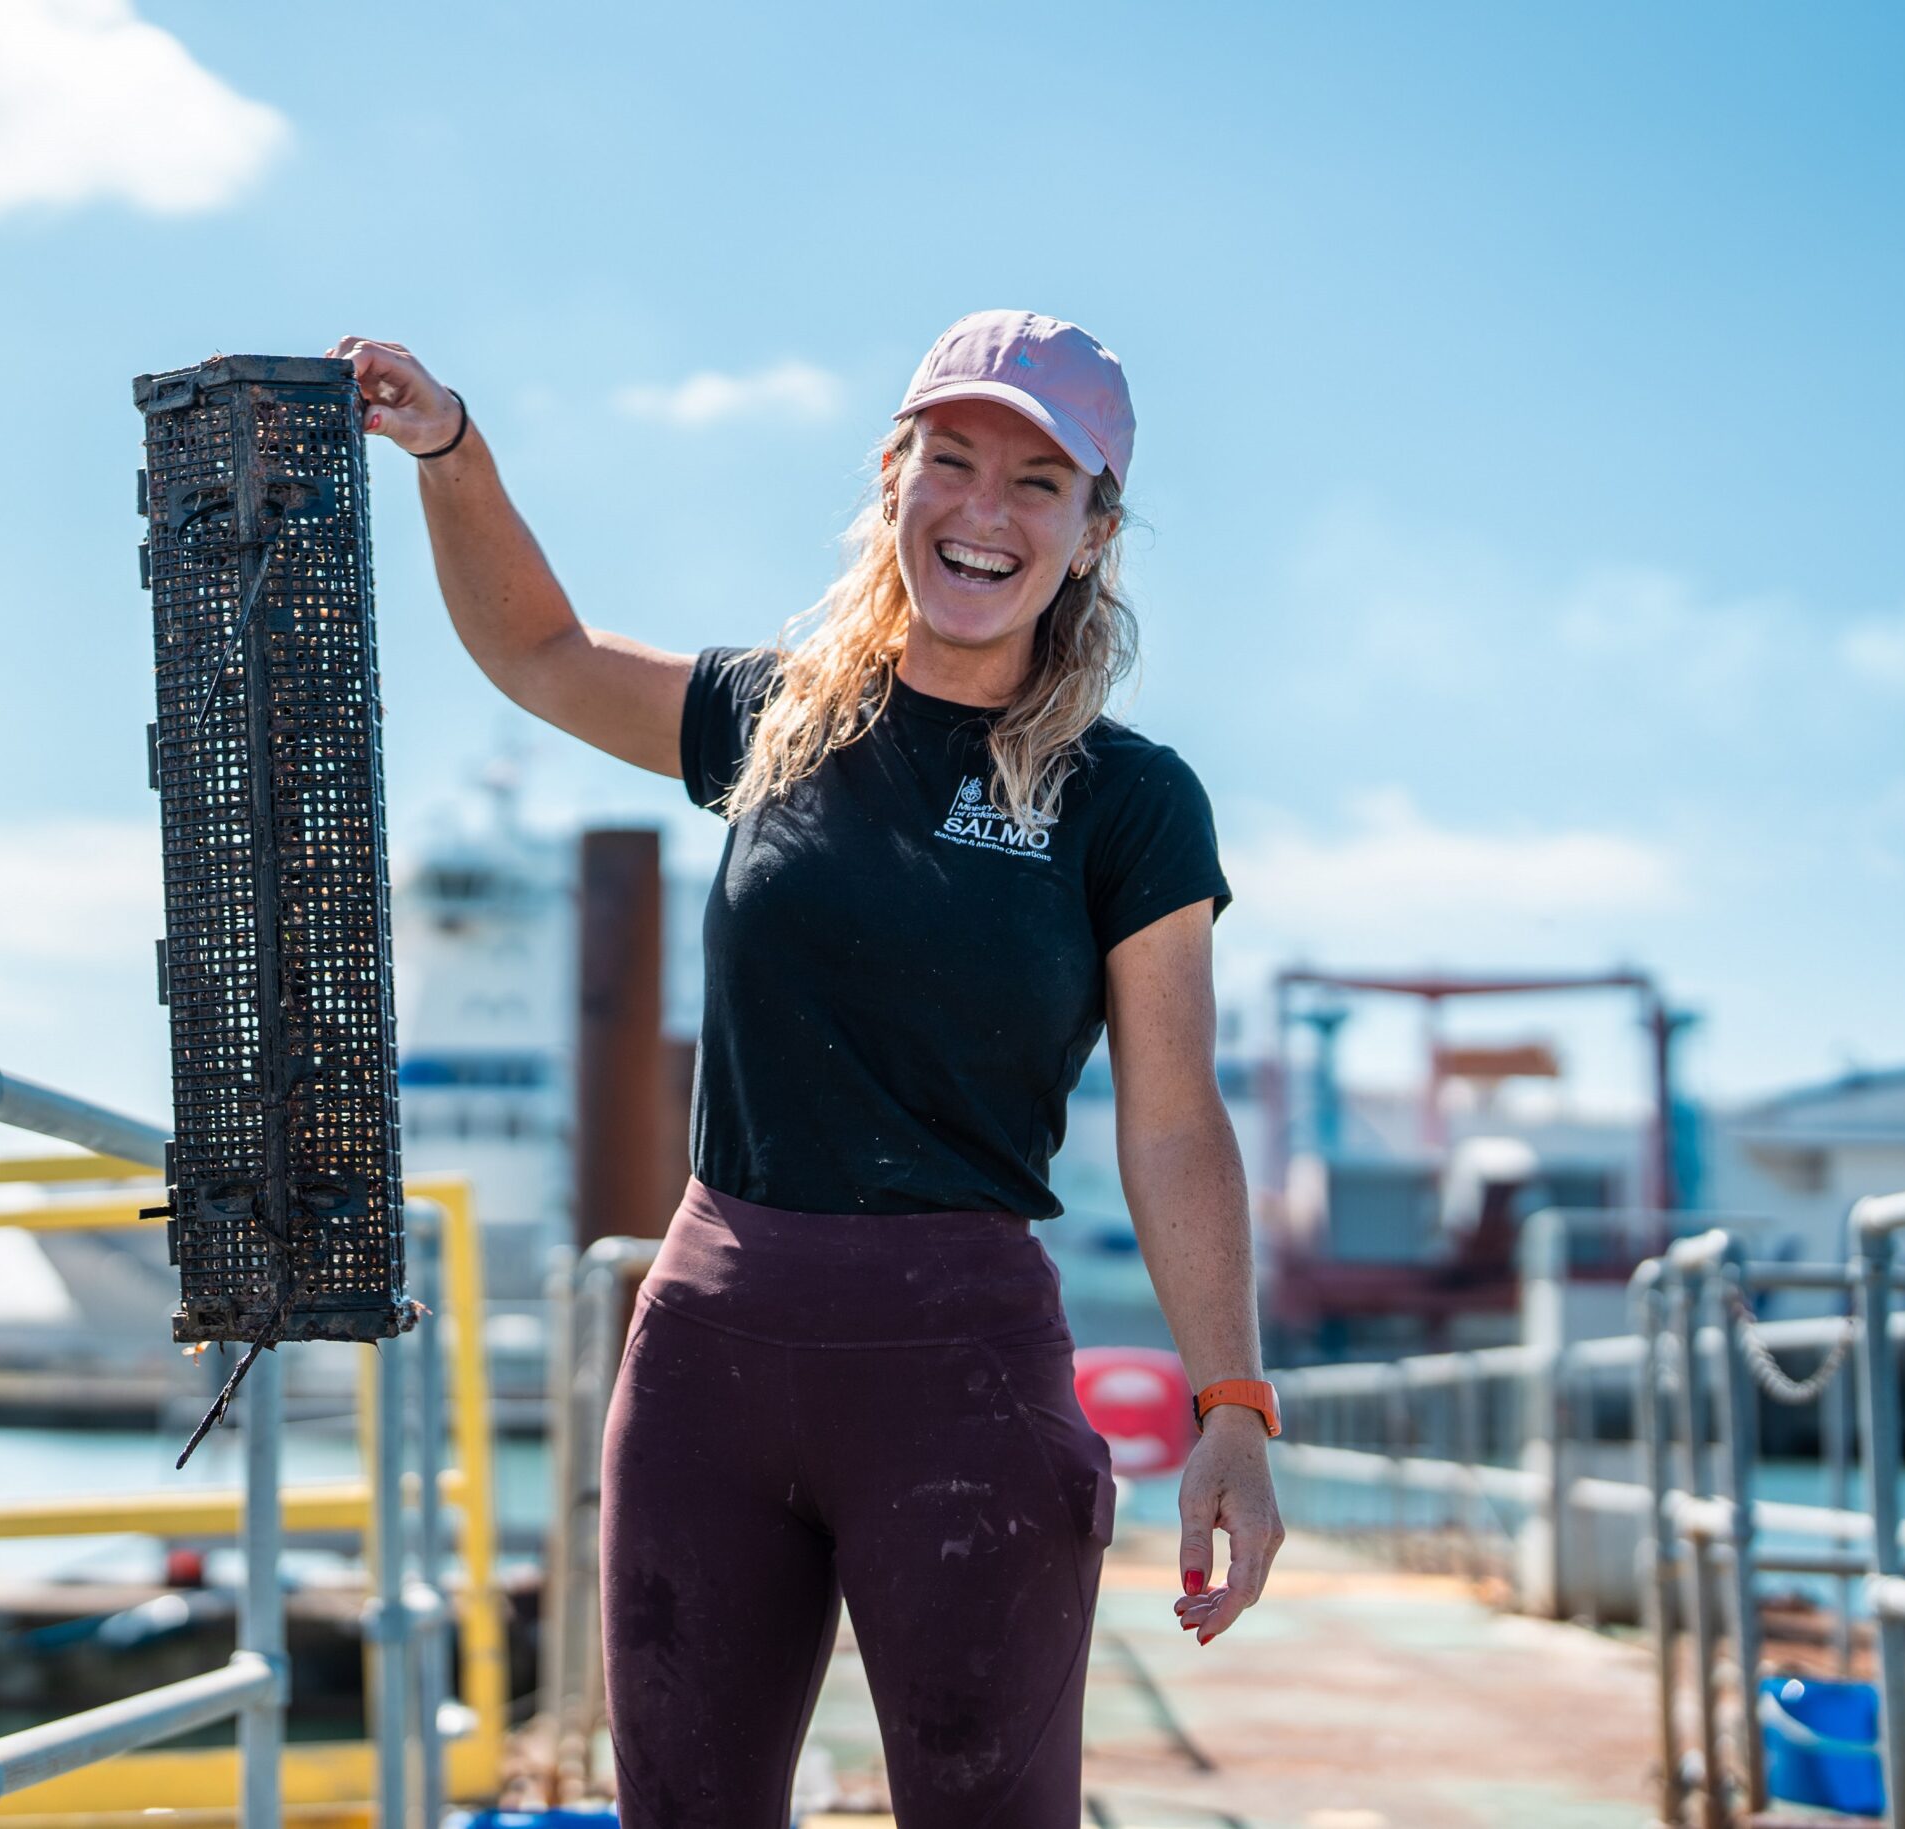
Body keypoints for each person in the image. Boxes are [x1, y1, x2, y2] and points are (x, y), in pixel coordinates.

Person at [330, 311, 1283, 1827]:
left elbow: (1173, 1118)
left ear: (1096, 528)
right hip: (711, 1349)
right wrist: (453, 452)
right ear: (894, 477)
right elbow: (541, 652)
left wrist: (1231, 1397)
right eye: (951, 462)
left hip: (961, 1378)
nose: (984, 511)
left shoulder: (1133, 803)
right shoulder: (779, 721)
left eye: (1039, 484)